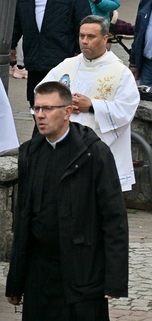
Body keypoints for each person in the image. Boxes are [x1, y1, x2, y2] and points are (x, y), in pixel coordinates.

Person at [5, 81, 128, 318]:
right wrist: (16, 281)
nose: (40, 115)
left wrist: (114, 280)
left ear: (68, 112)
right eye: (36, 108)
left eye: (48, 109)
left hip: (82, 270)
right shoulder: (30, 152)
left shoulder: (93, 153)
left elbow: (114, 219)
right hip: (40, 274)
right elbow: (23, 220)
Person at [42, 15, 139, 191]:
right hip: (64, 147)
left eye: (91, 37)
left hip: (99, 151)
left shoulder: (120, 72)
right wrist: (64, 102)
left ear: (105, 38)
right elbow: (41, 94)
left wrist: (93, 106)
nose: (84, 41)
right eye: (81, 36)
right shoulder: (66, 65)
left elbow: (126, 109)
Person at [12, 0, 92, 107]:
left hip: (62, 58)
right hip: (34, 57)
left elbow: (83, 23)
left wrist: (79, 50)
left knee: (59, 104)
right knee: (36, 102)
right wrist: (11, 45)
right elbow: (16, 20)